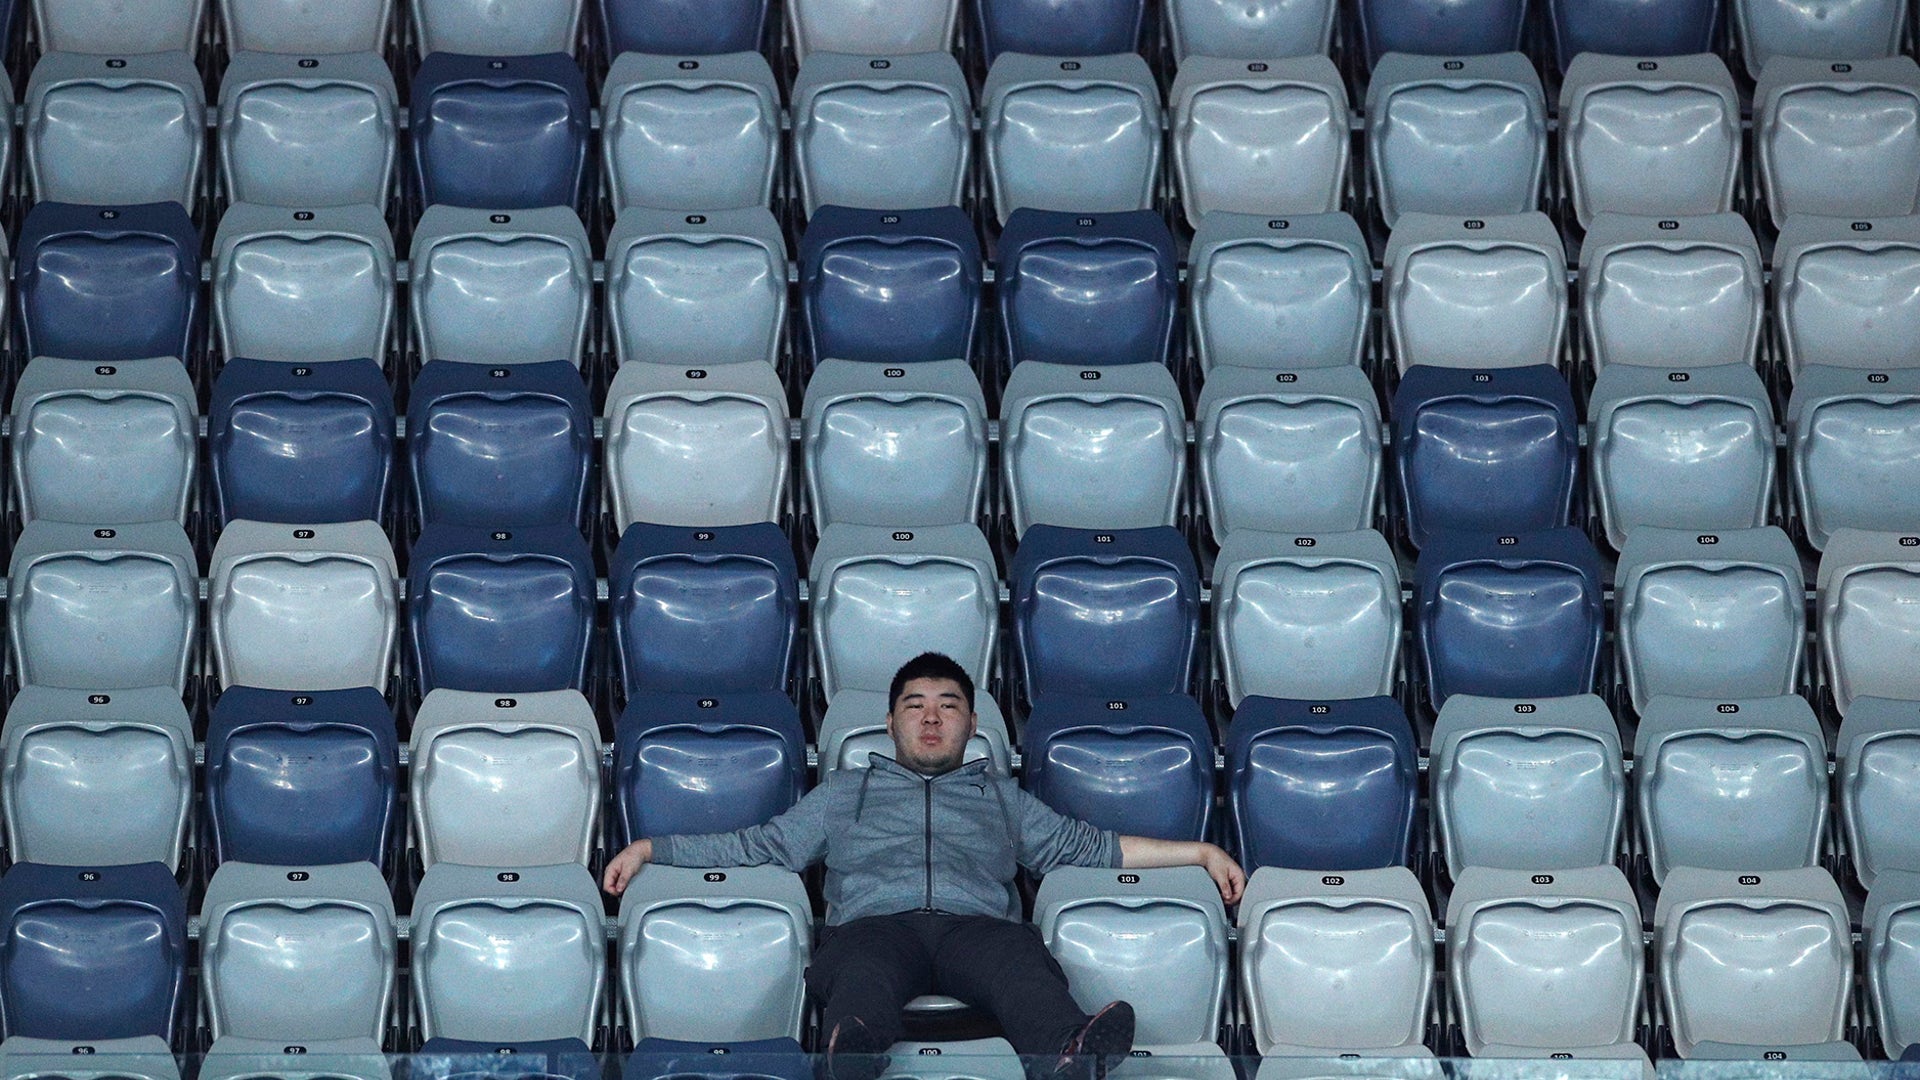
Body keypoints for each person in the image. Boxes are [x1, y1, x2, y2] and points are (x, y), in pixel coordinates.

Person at [604, 651, 1246, 1080]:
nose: (932, 717)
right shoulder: (843, 794)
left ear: (972, 724)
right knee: (862, 973)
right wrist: (653, 848)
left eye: (949, 705)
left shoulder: (1001, 797)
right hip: (876, 927)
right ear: (890, 722)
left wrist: (1200, 850)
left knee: (1022, 964)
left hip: (977, 929)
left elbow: (1093, 847)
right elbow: (754, 847)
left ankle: (1068, 1054)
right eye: (915, 705)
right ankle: (849, 1050)